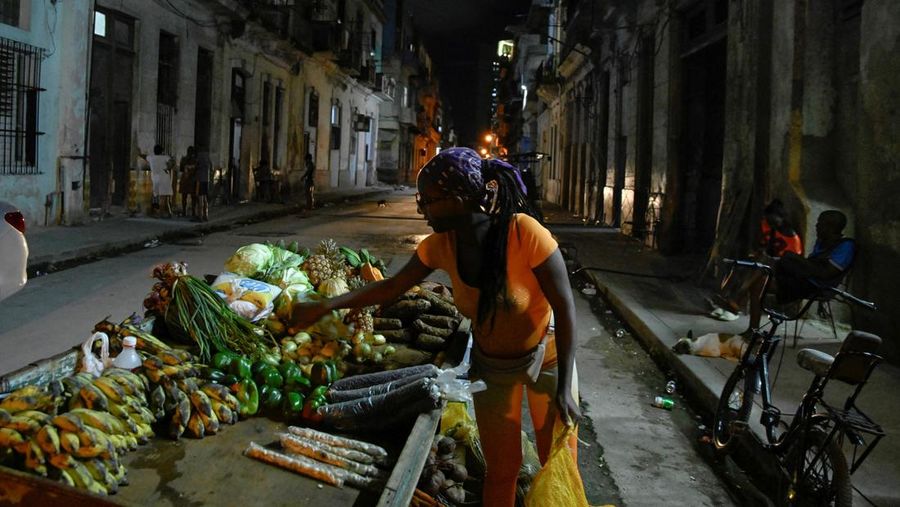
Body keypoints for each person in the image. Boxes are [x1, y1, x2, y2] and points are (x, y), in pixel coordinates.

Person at [289, 147, 581, 507]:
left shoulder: (524, 233)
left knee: (558, 467)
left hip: (547, 362)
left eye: (427, 201)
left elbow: (565, 308)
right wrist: (326, 305)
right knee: (502, 470)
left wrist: (566, 386)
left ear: (458, 201)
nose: (421, 210)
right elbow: (391, 287)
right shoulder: (440, 246)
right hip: (493, 369)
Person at [745, 209, 855, 333]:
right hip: (803, 279)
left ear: (831, 227)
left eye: (820, 223)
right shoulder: (823, 241)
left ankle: (747, 317)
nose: (816, 226)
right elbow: (811, 265)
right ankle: (741, 301)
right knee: (767, 261)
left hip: (816, 286)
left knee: (760, 283)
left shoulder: (846, 246)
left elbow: (826, 274)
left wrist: (798, 259)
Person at [709, 199, 803, 321]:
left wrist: (766, 257)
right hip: (766, 264)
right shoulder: (767, 225)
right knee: (741, 265)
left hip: (782, 270)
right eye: (769, 220)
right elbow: (762, 245)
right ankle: (726, 298)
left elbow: (790, 262)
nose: (771, 224)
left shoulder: (791, 238)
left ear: (782, 219)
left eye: (774, 221)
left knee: (759, 268)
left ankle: (735, 303)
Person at [146, 145, 174, 218]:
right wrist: (168, 168)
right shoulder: (165, 157)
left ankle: (167, 213)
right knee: (163, 197)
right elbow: (172, 162)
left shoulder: (151, 157)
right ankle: (161, 214)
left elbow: (145, 157)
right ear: (162, 151)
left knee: (155, 195)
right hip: (164, 177)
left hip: (155, 178)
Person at [179, 146, 198, 218]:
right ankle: (193, 212)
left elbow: (181, 169)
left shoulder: (183, 159)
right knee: (193, 197)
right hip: (192, 179)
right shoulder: (195, 160)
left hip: (184, 178)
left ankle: (184, 211)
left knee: (184, 196)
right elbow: (197, 170)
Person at [196, 149, 211, 222]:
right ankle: (206, 215)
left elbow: (197, 166)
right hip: (207, 180)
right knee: (205, 198)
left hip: (201, 180)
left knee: (200, 198)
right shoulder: (208, 158)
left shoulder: (199, 157)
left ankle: (200, 216)